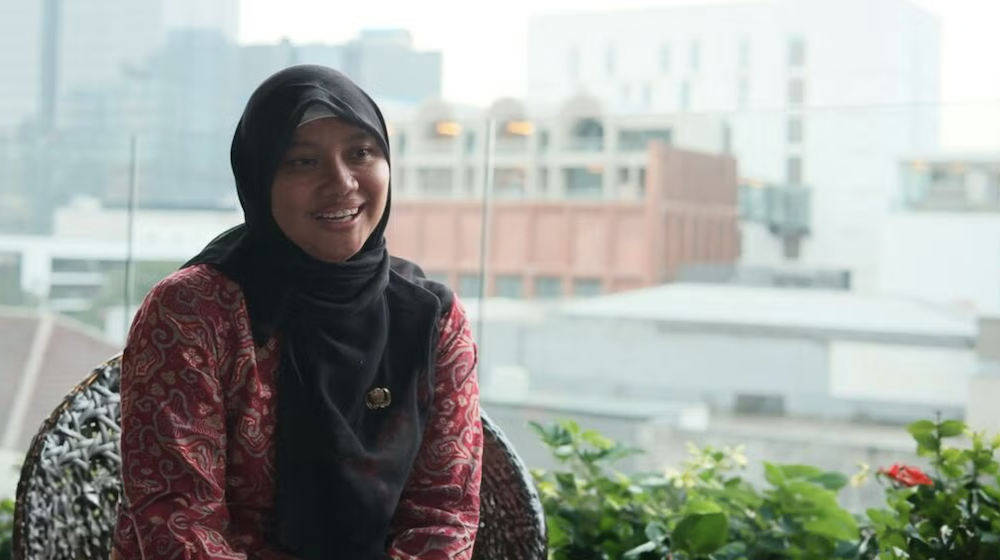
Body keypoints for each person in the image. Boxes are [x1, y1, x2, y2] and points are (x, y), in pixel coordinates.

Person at [112, 65, 483, 560]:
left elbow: (444, 513)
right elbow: (177, 521)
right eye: (303, 162)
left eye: (361, 153)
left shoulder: (431, 319)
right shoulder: (192, 312)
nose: (342, 182)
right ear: (259, 178)